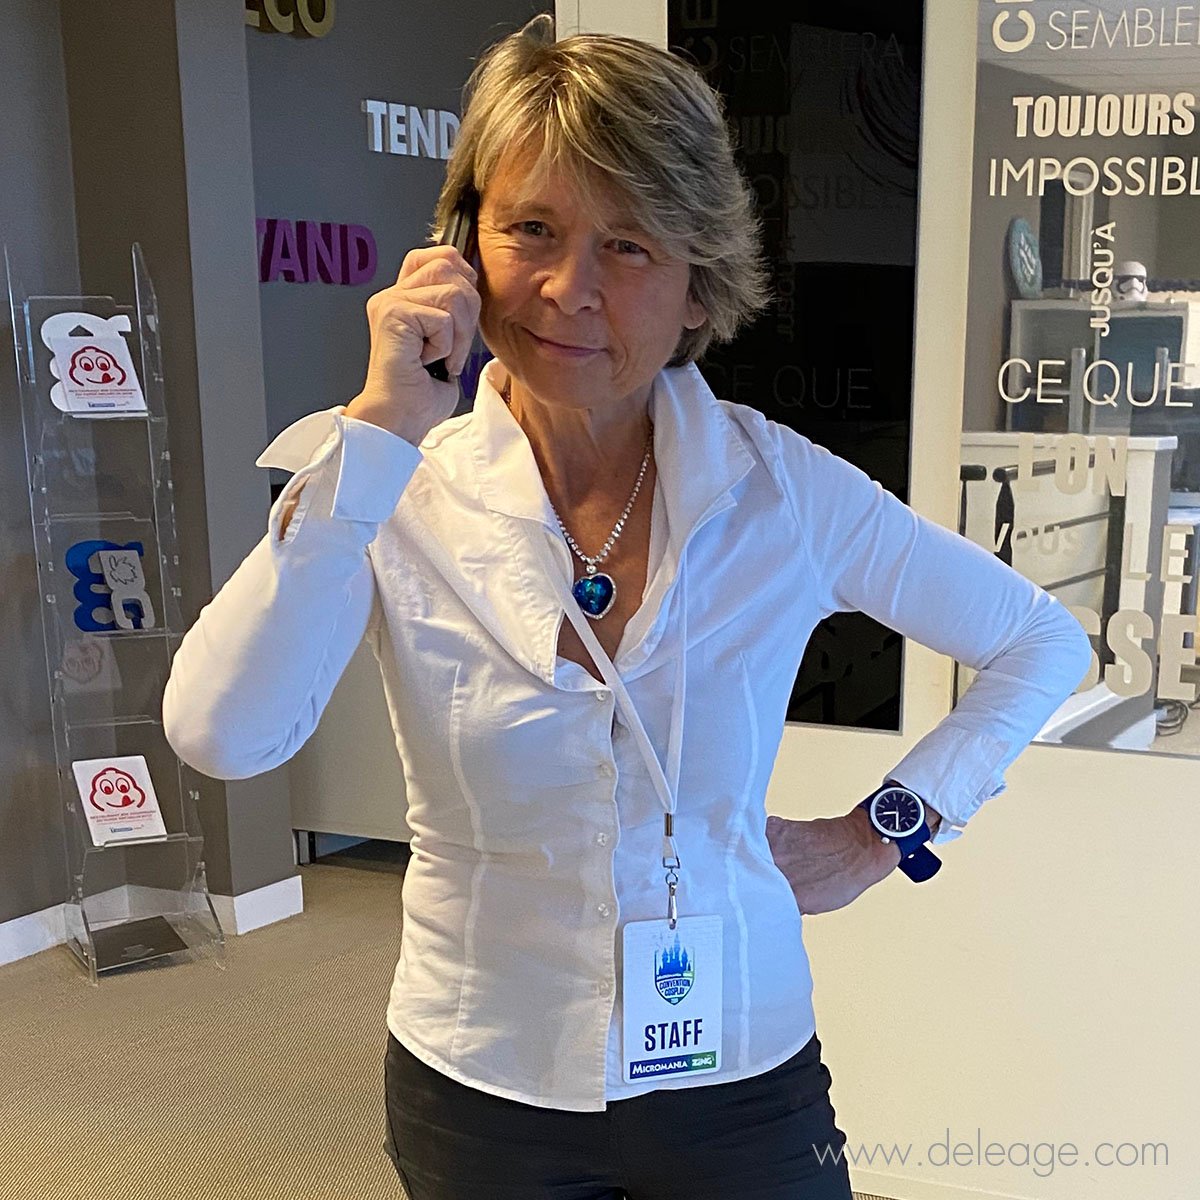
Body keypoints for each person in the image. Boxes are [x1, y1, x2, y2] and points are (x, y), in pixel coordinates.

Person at [163, 15, 1091, 1200]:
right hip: (484, 1078)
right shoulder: (387, 487)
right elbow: (222, 733)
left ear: (699, 280)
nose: (569, 289)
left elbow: (1039, 639)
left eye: (628, 245)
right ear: (459, 248)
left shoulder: (780, 491)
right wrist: (380, 429)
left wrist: (884, 832)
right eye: (531, 230)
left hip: (741, 1069)